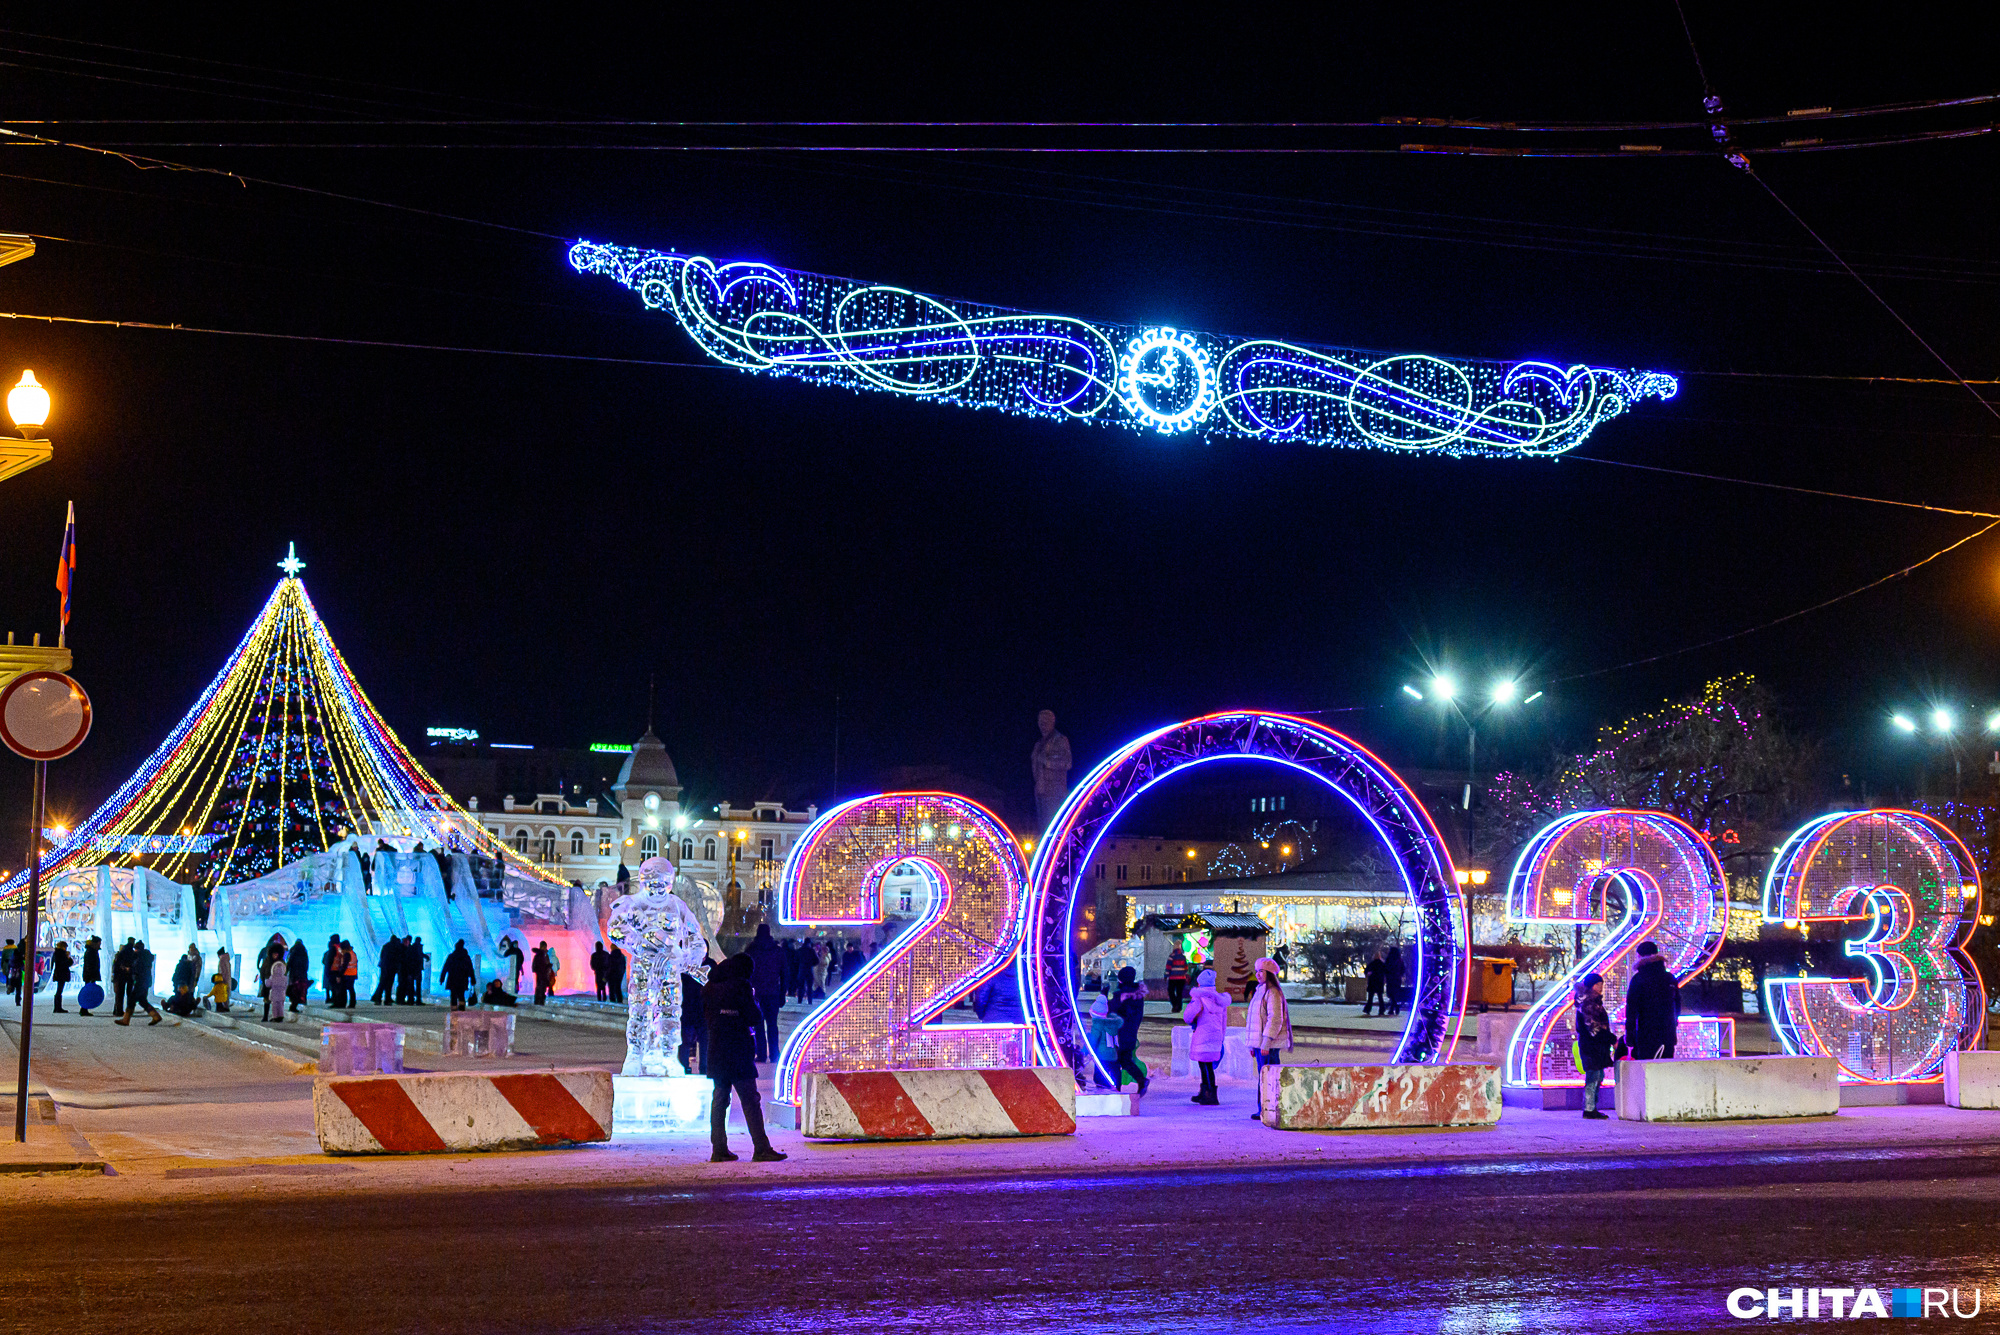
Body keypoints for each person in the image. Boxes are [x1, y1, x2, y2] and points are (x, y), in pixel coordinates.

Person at [703, 953, 785, 1163]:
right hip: (738, 1050)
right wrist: (753, 1000)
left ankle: (719, 1149)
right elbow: (755, 1017)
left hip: (717, 1050)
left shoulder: (710, 987)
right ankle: (761, 1148)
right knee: (750, 1100)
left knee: (720, 1100)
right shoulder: (741, 986)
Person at [1246, 956, 1293, 1121]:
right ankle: (1264, 1108)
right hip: (1261, 1045)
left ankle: (1271, 1108)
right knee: (1264, 1076)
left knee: (1270, 1077)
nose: (1258, 974)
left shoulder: (1272, 992)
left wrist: (1265, 1042)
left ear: (1270, 973)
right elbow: (1257, 1021)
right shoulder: (1261, 991)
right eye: (1257, 971)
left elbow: (1275, 1019)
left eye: (1262, 971)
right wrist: (1254, 1045)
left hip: (1269, 1045)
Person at [1625, 940, 1680, 1060]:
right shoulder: (1669, 978)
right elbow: (1677, 1004)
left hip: (1646, 1034)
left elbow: (1631, 1009)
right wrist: (1673, 1023)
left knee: (1647, 1069)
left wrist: (1630, 1035)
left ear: (1639, 956)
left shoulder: (1638, 979)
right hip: (1667, 1033)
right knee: (1666, 1068)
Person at [1182, 967, 1229, 1105]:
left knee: (1204, 1065)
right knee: (1208, 1065)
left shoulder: (1198, 998)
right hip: (1216, 1035)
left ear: (1200, 983)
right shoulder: (1220, 1000)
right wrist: (1221, 1037)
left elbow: (1188, 1016)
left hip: (1202, 1035)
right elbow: (1224, 1021)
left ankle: (1208, 1094)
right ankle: (1208, 1092)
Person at [1575, 971, 1617, 1119]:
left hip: (1594, 1045)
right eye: (1597, 984)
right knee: (1594, 1075)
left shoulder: (1591, 1001)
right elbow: (1594, 1027)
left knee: (1597, 1075)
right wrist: (1611, 1038)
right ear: (1591, 986)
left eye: (1601, 984)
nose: (1600, 987)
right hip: (1592, 1045)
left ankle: (1591, 1107)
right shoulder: (1588, 1003)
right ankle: (1589, 1108)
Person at [745, 923, 786, 1062]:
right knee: (773, 1024)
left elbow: (745, 972)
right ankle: (774, 1054)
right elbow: (784, 973)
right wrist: (782, 993)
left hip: (756, 992)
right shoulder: (777, 951)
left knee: (758, 1024)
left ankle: (761, 1053)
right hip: (773, 992)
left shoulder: (751, 950)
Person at [1109, 966, 1150, 1094]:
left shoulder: (1122, 995)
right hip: (1130, 1031)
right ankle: (1140, 1080)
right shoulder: (1137, 995)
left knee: (1116, 1060)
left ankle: (1116, 1087)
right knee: (1124, 1059)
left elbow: (1112, 1009)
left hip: (1119, 1033)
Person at [116, 940, 162, 1025]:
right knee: (142, 1000)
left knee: (131, 1000)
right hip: (145, 981)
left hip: (140, 982)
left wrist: (129, 969)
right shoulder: (146, 957)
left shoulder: (140, 958)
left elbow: (138, 970)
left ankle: (126, 1020)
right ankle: (156, 1016)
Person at [678, 955, 710, 1076]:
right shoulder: (684, 967)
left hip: (698, 1009)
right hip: (690, 1009)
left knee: (702, 1041)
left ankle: (703, 1067)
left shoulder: (684, 968)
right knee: (687, 1040)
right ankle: (686, 1066)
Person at [1087, 996, 1123, 1081]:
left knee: (1099, 1078)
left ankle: (1102, 1090)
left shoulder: (1097, 1025)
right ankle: (1116, 1088)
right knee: (1115, 1074)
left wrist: (1084, 1051)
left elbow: (1093, 1040)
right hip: (1114, 1055)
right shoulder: (1113, 1024)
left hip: (1102, 1055)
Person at [442, 940, 477, 1010]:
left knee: (453, 995)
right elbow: (470, 969)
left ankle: (454, 1009)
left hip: (452, 979)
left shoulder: (451, 956)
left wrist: (442, 978)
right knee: (461, 995)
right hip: (463, 979)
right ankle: (461, 1009)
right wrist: (473, 979)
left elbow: (445, 967)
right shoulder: (466, 957)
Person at [111, 938, 135, 1018]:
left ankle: (118, 1010)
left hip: (119, 976)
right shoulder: (131, 952)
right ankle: (127, 1010)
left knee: (119, 994)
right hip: (128, 975)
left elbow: (116, 966)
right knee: (129, 993)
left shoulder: (121, 953)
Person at [263, 949, 289, 1022]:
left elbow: (268, 983)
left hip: (274, 993)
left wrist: (266, 981)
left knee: (275, 1006)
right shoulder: (284, 976)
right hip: (281, 993)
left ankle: (276, 1016)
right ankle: (279, 1016)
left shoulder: (273, 976)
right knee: (280, 1005)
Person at [79, 935, 102, 1015]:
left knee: (89, 992)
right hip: (90, 975)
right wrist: (92, 976)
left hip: (90, 975)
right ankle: (84, 1009)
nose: (100, 945)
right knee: (88, 992)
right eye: (99, 943)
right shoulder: (91, 952)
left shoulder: (91, 951)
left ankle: (84, 1009)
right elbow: (90, 965)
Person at [286, 938, 310, 1011]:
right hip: (302, 973)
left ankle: (293, 1003)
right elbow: (306, 963)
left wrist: (286, 970)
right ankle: (302, 1000)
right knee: (301, 988)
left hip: (294, 973)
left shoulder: (293, 950)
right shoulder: (304, 951)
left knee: (294, 989)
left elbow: (289, 961)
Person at [49, 940, 73, 1013]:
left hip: (58, 973)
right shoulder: (61, 954)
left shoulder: (56, 953)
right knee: (59, 991)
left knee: (59, 990)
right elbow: (67, 963)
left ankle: (57, 1007)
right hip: (61, 973)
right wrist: (68, 957)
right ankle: (58, 1007)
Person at [373, 936, 398, 1004]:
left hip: (384, 967)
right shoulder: (395, 947)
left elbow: (382, 956)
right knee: (389, 985)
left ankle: (378, 999)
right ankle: (387, 999)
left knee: (382, 983)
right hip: (391, 968)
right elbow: (396, 958)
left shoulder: (386, 946)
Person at [1165, 947, 1189, 1013]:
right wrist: (1184, 974)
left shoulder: (1171, 956)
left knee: (1171, 992)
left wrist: (1166, 976)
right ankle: (1179, 1007)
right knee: (1179, 993)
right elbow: (1186, 968)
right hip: (1182, 978)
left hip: (1173, 978)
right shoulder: (1183, 957)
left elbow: (1168, 967)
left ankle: (1175, 1005)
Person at [1363, 950, 1387, 1016]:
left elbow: (1366, 971)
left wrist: (1369, 974)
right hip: (1379, 982)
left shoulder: (1371, 963)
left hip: (1372, 982)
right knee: (1380, 997)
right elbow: (1385, 972)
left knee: (1370, 997)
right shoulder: (1382, 964)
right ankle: (1381, 1010)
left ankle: (1367, 1009)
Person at [1383, 946, 1405, 1017]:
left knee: (1391, 994)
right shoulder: (1400, 960)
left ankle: (1393, 1008)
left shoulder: (1389, 959)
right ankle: (1394, 1008)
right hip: (1397, 979)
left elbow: (1386, 968)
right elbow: (1403, 969)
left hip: (1390, 979)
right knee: (1394, 994)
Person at [211, 947, 234, 1013]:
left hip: (222, 980)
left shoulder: (222, 960)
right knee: (226, 992)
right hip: (227, 979)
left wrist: (219, 980)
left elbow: (222, 971)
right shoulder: (227, 960)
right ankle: (226, 1006)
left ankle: (223, 1007)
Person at [321, 934, 342, 1004]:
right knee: (333, 986)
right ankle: (335, 999)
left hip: (331, 970)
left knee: (330, 986)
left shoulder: (330, 951)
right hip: (335, 970)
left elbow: (325, 961)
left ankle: (332, 999)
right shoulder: (339, 949)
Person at [339, 940, 359, 1008]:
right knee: (351, 989)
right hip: (353, 974)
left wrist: (340, 974)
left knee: (344, 990)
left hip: (347, 974)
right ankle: (352, 1003)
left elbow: (345, 965)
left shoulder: (347, 954)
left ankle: (344, 1003)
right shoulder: (353, 953)